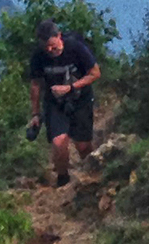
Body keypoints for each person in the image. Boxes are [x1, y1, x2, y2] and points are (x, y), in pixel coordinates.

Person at [24, 19, 99, 188]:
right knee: (59, 142)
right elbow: (35, 85)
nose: (50, 50)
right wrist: (35, 114)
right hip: (54, 103)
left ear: (59, 36)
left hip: (81, 99)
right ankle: (63, 179)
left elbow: (95, 73)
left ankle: (94, 173)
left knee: (83, 145)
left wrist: (71, 87)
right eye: (46, 47)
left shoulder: (76, 48)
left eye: (52, 45)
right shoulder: (39, 57)